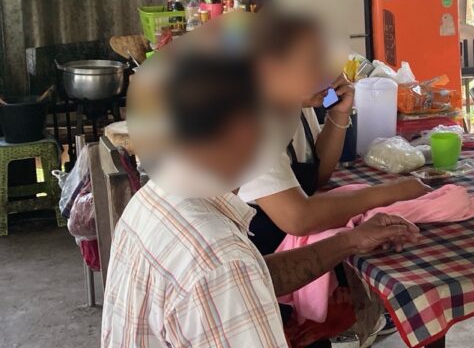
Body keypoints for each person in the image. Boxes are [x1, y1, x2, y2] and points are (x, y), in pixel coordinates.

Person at [101, 18, 419, 348]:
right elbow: (239, 268)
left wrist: (350, 241)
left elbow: (258, 273)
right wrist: (390, 193)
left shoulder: (155, 198)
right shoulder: (223, 262)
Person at [241, 11, 429, 255]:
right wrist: (391, 192)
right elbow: (298, 218)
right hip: (257, 259)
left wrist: (339, 114)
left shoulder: (296, 106)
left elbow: (318, 176)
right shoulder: (249, 126)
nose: (328, 75)